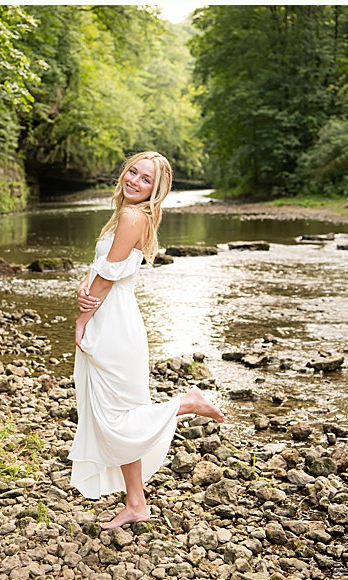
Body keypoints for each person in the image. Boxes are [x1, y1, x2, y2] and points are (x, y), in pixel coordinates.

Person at [70, 151, 226, 529]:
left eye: (145, 180)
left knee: (116, 418)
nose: (135, 181)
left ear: (155, 190)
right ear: (124, 171)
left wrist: (82, 318)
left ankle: (184, 404)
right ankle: (136, 503)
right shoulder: (130, 215)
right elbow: (105, 270)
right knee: (118, 413)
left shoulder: (130, 215)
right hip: (118, 318)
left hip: (112, 325)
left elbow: (107, 277)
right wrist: (83, 286)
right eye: (133, 172)